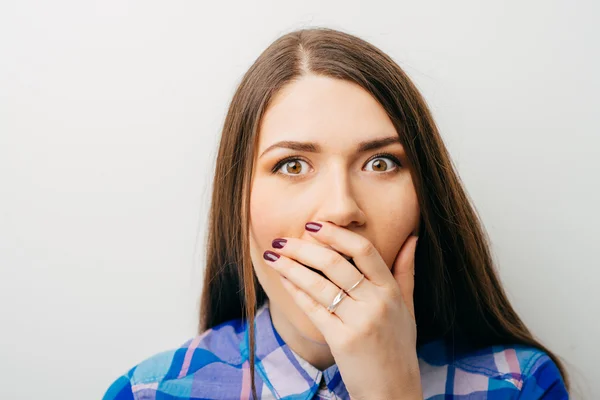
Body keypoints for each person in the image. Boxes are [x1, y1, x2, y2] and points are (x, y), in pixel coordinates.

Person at [102, 27, 569, 399]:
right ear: (237, 204)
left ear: (426, 199)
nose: (342, 208)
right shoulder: (149, 392)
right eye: (292, 165)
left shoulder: (518, 384)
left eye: (380, 163)